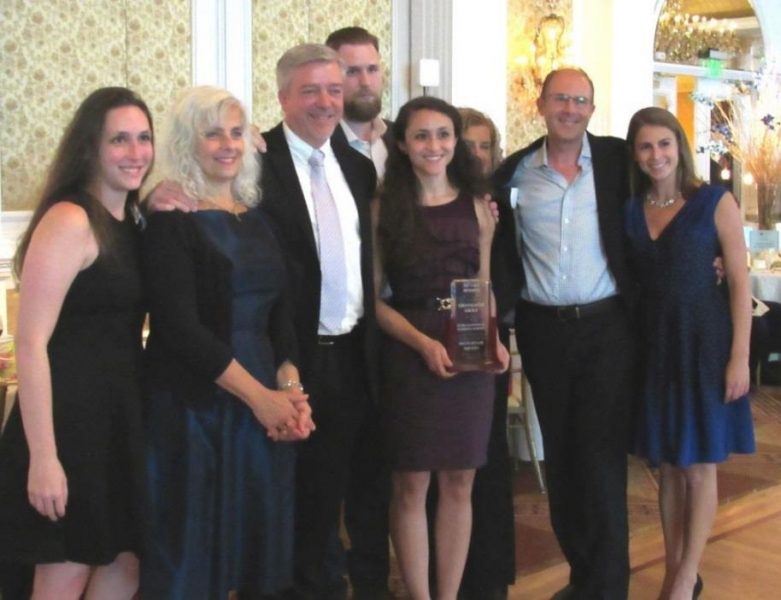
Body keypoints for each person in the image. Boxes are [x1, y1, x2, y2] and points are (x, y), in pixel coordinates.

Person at [139, 86, 313, 600]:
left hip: (263, 399)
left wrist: (291, 391)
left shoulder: (258, 216)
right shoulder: (172, 219)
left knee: (254, 547)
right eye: (212, 133)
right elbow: (180, 330)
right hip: (196, 405)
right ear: (188, 143)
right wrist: (261, 400)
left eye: (236, 132)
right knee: (194, 551)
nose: (227, 144)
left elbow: (281, 315)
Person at [0, 87, 153, 600]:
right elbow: (31, 342)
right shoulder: (70, 219)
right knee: (65, 571)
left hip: (119, 420)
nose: (135, 153)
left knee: (124, 565)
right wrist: (44, 457)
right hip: (68, 425)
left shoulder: (132, 221)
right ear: (91, 147)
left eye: (143, 139)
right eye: (119, 140)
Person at [493, 67, 636, 600]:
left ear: (592, 110)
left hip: (606, 331)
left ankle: (608, 587)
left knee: (600, 461)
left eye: (580, 100)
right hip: (543, 332)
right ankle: (582, 577)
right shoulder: (514, 174)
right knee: (561, 460)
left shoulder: (620, 163)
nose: (570, 109)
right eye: (560, 99)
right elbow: (500, 252)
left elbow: (668, 204)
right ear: (541, 104)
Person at [373, 96, 509, 600]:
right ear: (404, 145)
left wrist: (492, 336)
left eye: (443, 134)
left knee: (460, 483)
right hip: (409, 349)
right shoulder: (384, 208)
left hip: (468, 346)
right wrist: (422, 343)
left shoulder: (479, 206)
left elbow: (484, 281)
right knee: (411, 486)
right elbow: (374, 301)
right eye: (422, 136)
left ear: (456, 142)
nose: (434, 145)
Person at [260, 44, 379, 600]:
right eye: (311, 91)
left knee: (337, 487)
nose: (326, 102)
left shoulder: (355, 165)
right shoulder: (255, 163)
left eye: (334, 90)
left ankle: (326, 584)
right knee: (287, 494)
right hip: (284, 357)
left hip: (354, 355)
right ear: (283, 96)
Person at [624, 106, 755, 600]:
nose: (656, 155)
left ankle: (684, 577)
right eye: (645, 146)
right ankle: (675, 565)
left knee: (699, 464)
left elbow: (740, 283)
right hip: (655, 347)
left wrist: (739, 356)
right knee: (670, 464)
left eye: (664, 144)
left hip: (705, 344)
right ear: (635, 156)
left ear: (679, 146)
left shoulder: (715, 202)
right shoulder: (632, 210)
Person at [324, 25, 394, 599]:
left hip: (403, 333)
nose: (363, 80)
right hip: (339, 338)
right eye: (350, 70)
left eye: (371, 68)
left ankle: (373, 584)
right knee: (327, 480)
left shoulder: (409, 141)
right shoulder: (305, 149)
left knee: (382, 478)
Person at [456, 107, 516, 600]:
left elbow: (512, 276)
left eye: (484, 146)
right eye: (466, 144)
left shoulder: (502, 205)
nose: (476, 155)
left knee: (488, 464)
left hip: (490, 341)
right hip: (431, 347)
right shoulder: (419, 199)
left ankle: (489, 579)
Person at [326, 26, 393, 179]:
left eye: (372, 69)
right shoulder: (317, 144)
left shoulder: (401, 138)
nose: (366, 82)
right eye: (352, 71)